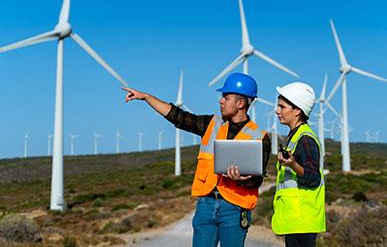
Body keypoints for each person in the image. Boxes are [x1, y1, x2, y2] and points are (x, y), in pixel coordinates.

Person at [122, 72, 271, 247]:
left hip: (235, 208)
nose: (220, 100)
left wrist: (244, 180)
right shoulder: (211, 124)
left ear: (240, 103)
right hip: (206, 205)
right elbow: (178, 117)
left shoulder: (260, 137)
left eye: (226, 97)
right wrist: (147, 97)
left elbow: (257, 179)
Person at [271, 82, 326, 247]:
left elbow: (313, 177)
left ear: (297, 110)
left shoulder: (306, 139)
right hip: (296, 219)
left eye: (282, 106)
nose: (277, 110)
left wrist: (293, 164)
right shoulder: (295, 136)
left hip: (303, 220)